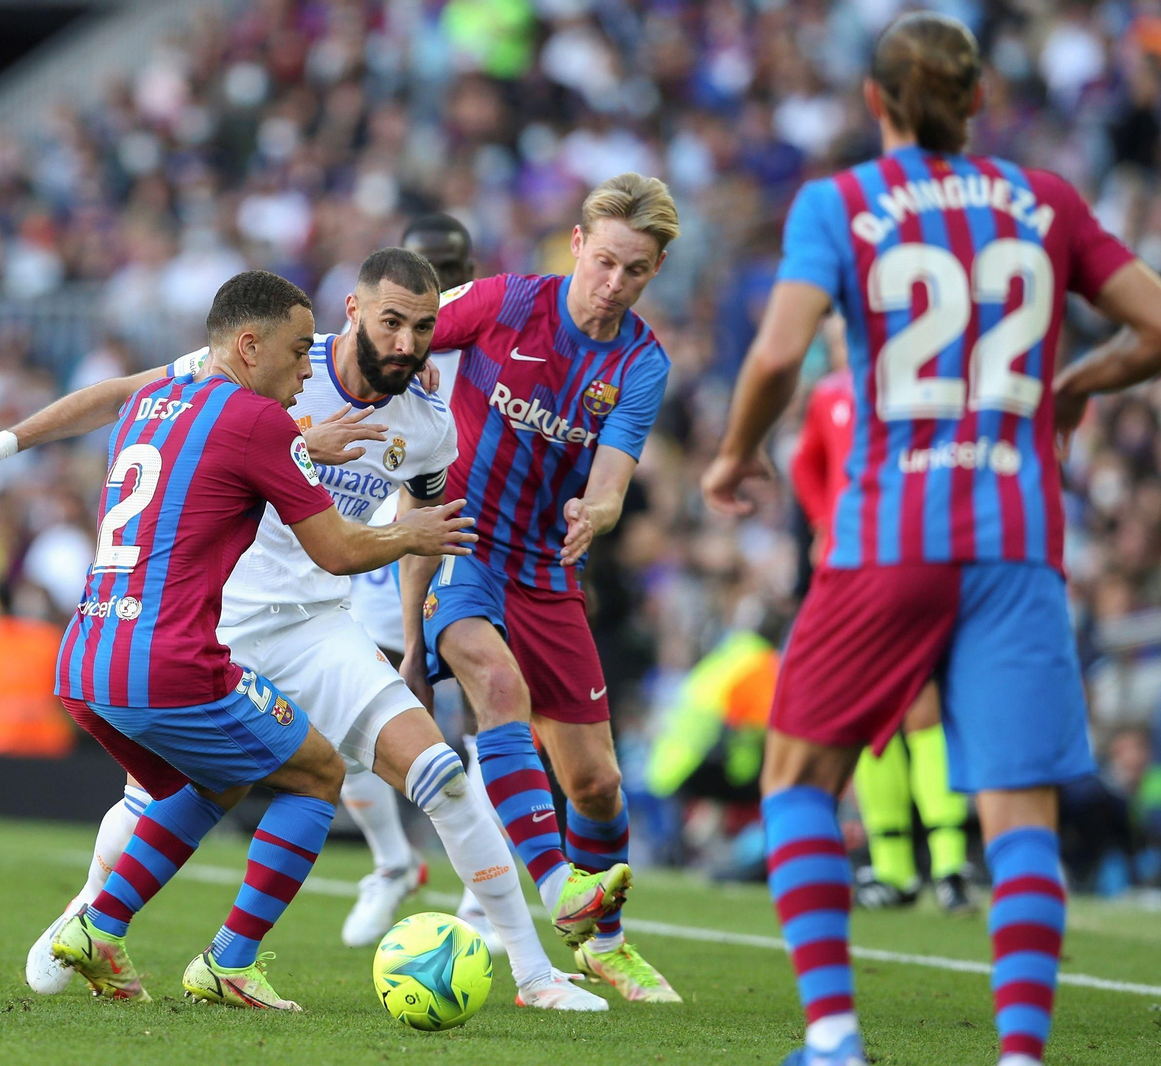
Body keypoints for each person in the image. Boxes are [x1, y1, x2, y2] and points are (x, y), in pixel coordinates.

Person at [0, 252, 610, 1011]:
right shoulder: (278, 360)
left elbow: (429, 529)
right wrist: (0, 445)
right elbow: (123, 396)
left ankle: (535, 975)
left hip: (317, 626)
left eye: (424, 327)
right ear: (353, 311)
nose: (410, 342)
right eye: (393, 322)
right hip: (217, 623)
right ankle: (92, 909)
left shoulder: (428, 424)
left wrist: (412, 639)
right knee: (167, 799)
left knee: (440, 775)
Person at [701, 14, 1161, 1066]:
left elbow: (778, 352)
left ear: (874, 103)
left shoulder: (841, 201)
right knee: (1018, 806)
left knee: (792, 778)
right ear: (981, 98)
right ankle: (1017, 1056)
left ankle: (832, 1039)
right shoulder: (1045, 200)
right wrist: (1076, 383)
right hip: (1017, 533)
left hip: (885, 531)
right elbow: (1156, 321)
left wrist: (733, 452)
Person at [404, 173, 681, 1003]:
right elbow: (405, 338)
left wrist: (595, 511)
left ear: (654, 270)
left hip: (548, 569)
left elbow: (615, 476)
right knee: (497, 684)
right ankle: (556, 883)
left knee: (596, 782)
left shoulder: (640, 361)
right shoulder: (506, 302)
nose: (613, 284)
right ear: (576, 245)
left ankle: (604, 943)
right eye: (604, 262)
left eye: (634, 270)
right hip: (462, 537)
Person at [340, 214, 508, 950]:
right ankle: (393, 863)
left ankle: (481, 901)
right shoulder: (397, 348)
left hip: (471, 531)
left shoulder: (493, 336)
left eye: (444, 266)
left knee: (481, 710)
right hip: (387, 536)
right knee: (354, 716)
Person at [790, 320, 973, 915]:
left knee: (918, 707)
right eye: (838, 332)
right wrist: (822, 523)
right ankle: (897, 866)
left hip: (903, 562)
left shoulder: (911, 395)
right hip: (849, 569)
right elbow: (806, 467)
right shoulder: (830, 397)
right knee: (872, 716)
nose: (845, 340)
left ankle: (948, 862)